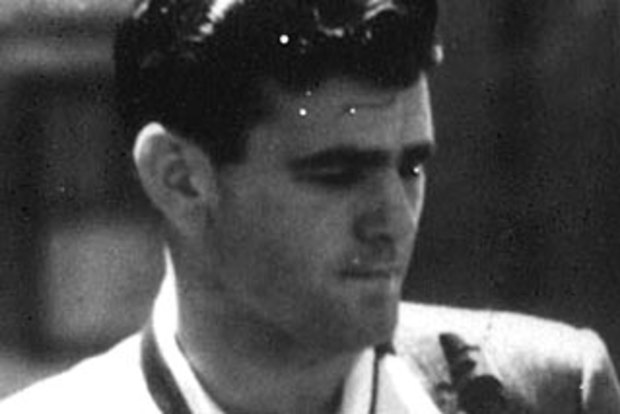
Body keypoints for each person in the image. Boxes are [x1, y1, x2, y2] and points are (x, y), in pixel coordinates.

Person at [2, 0, 619, 413]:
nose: (394, 220)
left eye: (410, 166)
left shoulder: (545, 396)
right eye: (336, 174)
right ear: (180, 180)